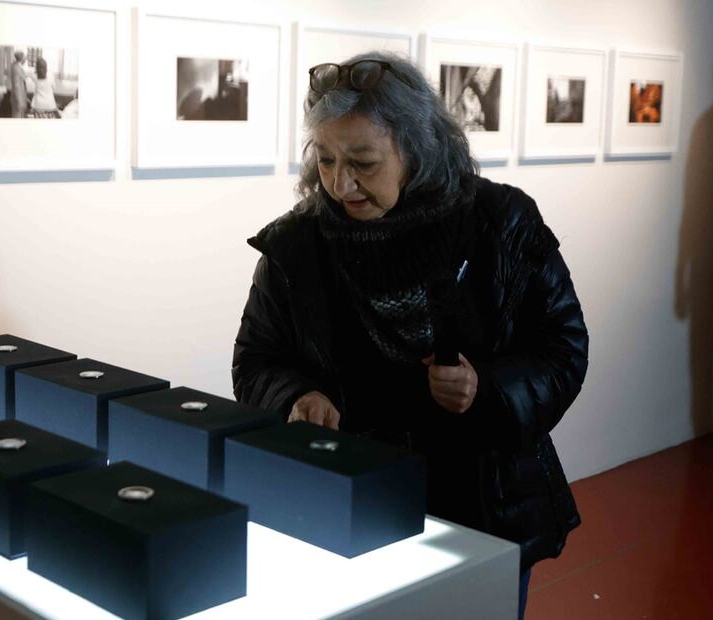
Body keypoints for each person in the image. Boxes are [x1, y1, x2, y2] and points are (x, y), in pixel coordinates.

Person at [231, 51, 588, 620]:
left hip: (482, 506)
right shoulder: (296, 246)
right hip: (349, 501)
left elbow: (563, 348)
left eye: (363, 162)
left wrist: (486, 388)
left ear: (417, 150)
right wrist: (295, 396)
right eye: (326, 159)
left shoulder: (501, 223)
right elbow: (256, 358)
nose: (340, 183)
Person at [10, 50, 29, 118]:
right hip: (17, 99)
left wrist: (25, 98)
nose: (26, 60)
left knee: (20, 116)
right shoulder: (16, 68)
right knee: (17, 117)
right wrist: (18, 101)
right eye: (25, 58)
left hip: (20, 97)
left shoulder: (18, 66)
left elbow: (23, 78)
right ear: (21, 58)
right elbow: (16, 86)